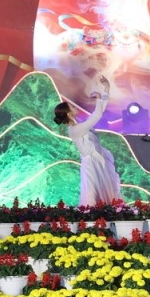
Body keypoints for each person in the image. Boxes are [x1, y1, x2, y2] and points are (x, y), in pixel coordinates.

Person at [55, 75, 122, 205]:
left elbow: (100, 111)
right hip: (91, 163)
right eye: (72, 107)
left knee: (107, 192)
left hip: (98, 159)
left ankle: (110, 212)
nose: (75, 107)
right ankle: (90, 216)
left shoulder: (81, 125)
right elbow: (97, 115)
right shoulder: (75, 130)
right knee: (92, 194)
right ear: (68, 113)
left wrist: (106, 88)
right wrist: (98, 98)